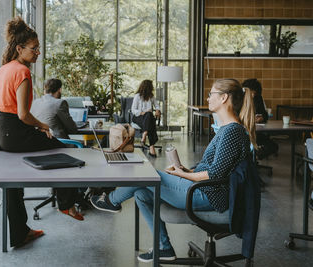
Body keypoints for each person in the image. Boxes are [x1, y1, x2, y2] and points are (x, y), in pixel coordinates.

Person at [91, 79, 256, 262]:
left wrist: (183, 174)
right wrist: (185, 169)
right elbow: (217, 168)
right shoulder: (227, 129)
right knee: (141, 193)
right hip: (203, 188)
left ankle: (112, 200)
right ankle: (164, 248)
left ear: (224, 98)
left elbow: (215, 174)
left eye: (211, 94)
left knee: (146, 176)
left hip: (208, 194)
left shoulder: (233, 131)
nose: (208, 98)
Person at [0, 17, 83, 248]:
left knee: (12, 184)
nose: (38, 52)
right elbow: (22, 114)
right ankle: (66, 202)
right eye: (34, 48)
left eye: (38, 47)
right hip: (14, 131)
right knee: (65, 148)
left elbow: (5, 108)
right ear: (20, 48)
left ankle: (20, 233)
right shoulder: (22, 72)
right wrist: (43, 126)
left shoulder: (4, 69)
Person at [242, 78, 278, 159]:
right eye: (252, 93)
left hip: (256, 132)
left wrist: (261, 118)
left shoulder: (258, 98)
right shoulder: (239, 99)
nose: (253, 96)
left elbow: (265, 115)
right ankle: (251, 157)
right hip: (243, 133)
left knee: (274, 146)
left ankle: (255, 157)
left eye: (255, 93)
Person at [131, 80, 161, 157]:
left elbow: (157, 105)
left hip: (148, 118)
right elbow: (133, 110)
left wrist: (157, 110)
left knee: (149, 116)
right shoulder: (137, 96)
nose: (152, 88)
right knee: (149, 116)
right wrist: (142, 113)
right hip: (138, 117)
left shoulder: (151, 97)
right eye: (151, 86)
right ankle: (151, 145)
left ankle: (144, 136)